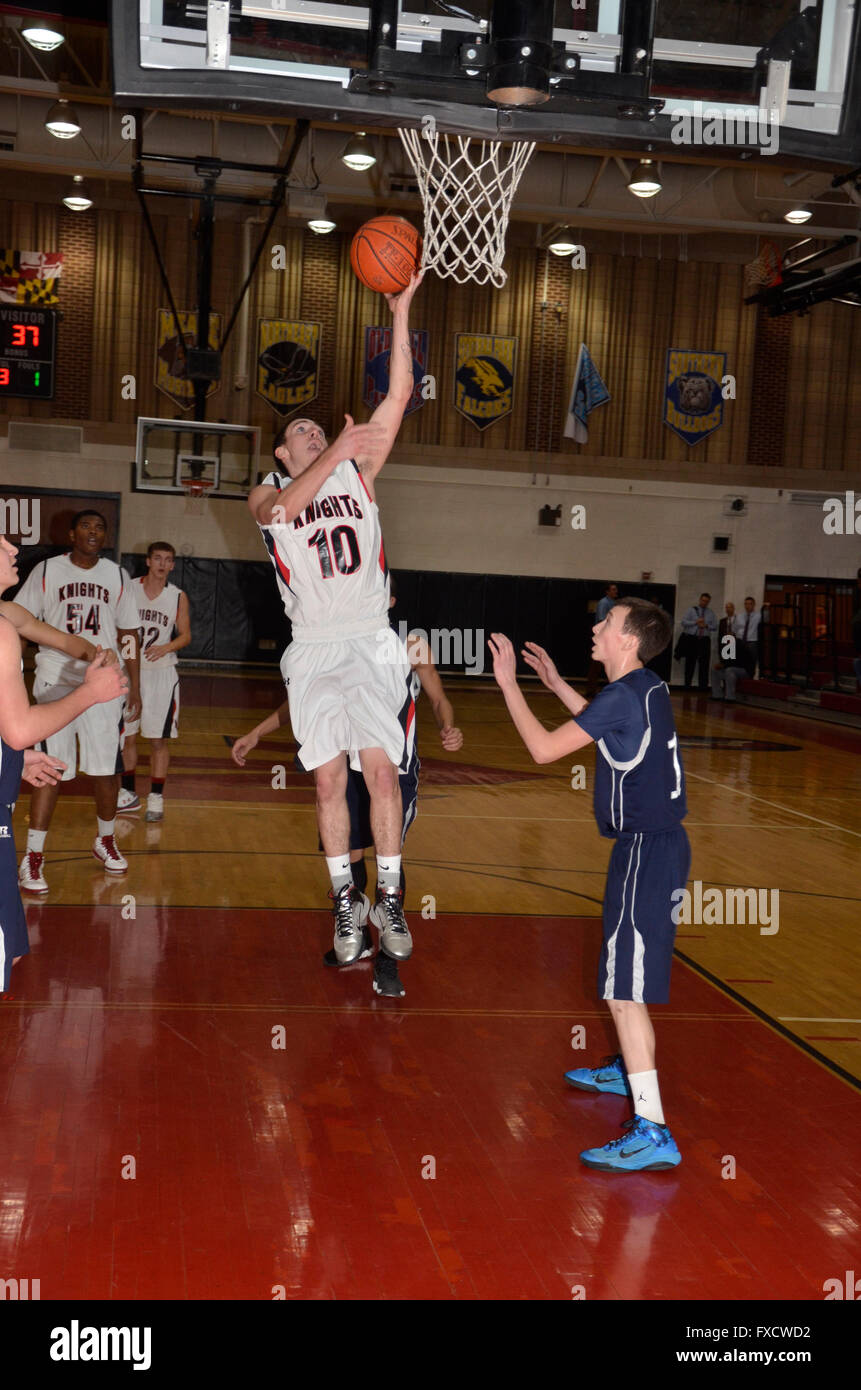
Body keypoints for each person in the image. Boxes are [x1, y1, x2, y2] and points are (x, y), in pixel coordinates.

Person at [247, 272, 423, 970]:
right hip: (313, 647)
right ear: (283, 453)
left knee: (381, 775)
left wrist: (401, 313)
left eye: (318, 425)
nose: (314, 429)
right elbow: (277, 514)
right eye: (300, 429)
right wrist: (332, 452)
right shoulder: (267, 488)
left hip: (371, 640)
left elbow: (399, 395)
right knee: (325, 782)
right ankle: (344, 900)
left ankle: (388, 894)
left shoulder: (356, 472)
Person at [489, 597, 690, 1173]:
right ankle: (628, 1069)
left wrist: (510, 684)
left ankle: (652, 1128)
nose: (596, 628)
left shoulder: (623, 695)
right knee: (621, 979)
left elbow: (544, 749)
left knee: (622, 991)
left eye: (607, 623)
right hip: (655, 849)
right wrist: (554, 683)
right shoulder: (645, 687)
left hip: (645, 854)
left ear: (627, 640)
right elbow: (611, 731)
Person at [231, 585, 464, 997]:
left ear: (390, 601)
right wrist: (256, 733)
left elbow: (439, 698)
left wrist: (448, 724)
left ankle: (388, 963)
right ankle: (355, 937)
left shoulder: (410, 646)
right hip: (345, 762)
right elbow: (300, 703)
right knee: (350, 851)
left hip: (393, 769)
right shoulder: (334, 648)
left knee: (389, 855)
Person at [0, 535, 127, 989]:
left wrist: (101, 656)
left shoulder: (8, 616)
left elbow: (63, 639)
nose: (14, 550)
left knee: (10, 953)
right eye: (1, 545)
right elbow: (17, 728)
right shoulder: (0, 633)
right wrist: (92, 692)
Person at [13, 510, 141, 891]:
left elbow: (130, 632)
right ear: (71, 533)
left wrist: (134, 684)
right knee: (50, 767)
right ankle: (33, 857)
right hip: (56, 674)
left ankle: (104, 840)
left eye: (100, 527)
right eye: (86, 525)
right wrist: (15, 675)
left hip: (102, 678)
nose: (93, 532)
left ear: (106, 537)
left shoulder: (117, 575)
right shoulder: (48, 570)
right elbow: (20, 619)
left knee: (106, 768)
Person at [118, 541, 191, 823]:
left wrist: (167, 647)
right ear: (148, 561)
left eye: (168, 559)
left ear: (172, 565)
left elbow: (185, 635)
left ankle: (157, 796)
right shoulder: (130, 589)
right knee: (128, 736)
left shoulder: (177, 596)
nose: (162, 564)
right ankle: (126, 794)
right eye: (157, 558)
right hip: (129, 671)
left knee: (158, 740)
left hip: (162, 672)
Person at [679, 591, 717, 691]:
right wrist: (695, 622)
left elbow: (715, 627)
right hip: (692, 639)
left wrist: (706, 625)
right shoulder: (691, 610)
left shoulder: (711, 613)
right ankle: (687, 686)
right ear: (700, 600)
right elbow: (683, 622)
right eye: (703, 600)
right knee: (690, 664)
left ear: (709, 602)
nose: (704, 603)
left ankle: (703, 687)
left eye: (707, 601)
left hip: (704, 640)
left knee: (704, 664)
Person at [585, 583, 618, 698]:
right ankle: (590, 690)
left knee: (610, 664)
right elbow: (602, 621)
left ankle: (611, 690)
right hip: (602, 638)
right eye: (613, 590)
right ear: (607, 592)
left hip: (611, 638)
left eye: (616, 590)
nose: (615, 591)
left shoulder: (614, 603)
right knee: (596, 664)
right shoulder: (603, 603)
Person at [732, 596, 760, 678]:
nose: (748, 606)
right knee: (739, 663)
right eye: (746, 604)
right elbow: (734, 629)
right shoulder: (739, 616)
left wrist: (766, 609)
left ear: (754, 605)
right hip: (740, 642)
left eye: (750, 604)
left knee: (751, 664)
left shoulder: (758, 616)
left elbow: (766, 619)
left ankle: (750, 682)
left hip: (752, 643)